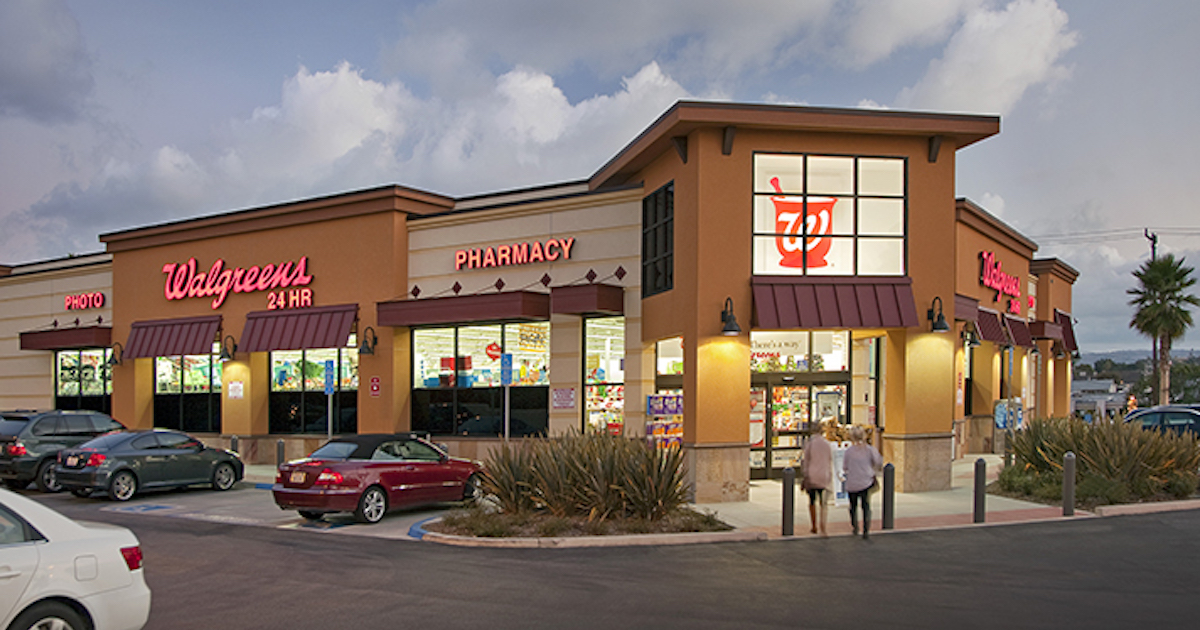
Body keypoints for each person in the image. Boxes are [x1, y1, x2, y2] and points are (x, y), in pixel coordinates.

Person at [842, 425, 882, 539]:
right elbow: (878, 461)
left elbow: (845, 467)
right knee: (866, 506)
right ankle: (866, 529)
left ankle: (855, 526)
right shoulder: (869, 450)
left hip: (852, 482)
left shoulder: (849, 451)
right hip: (865, 481)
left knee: (853, 506)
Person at [800, 421, 833, 536]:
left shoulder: (810, 444)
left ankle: (814, 525)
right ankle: (823, 527)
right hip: (824, 475)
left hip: (812, 475)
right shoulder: (827, 444)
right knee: (823, 503)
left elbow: (806, 461)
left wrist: (804, 475)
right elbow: (829, 460)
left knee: (812, 501)